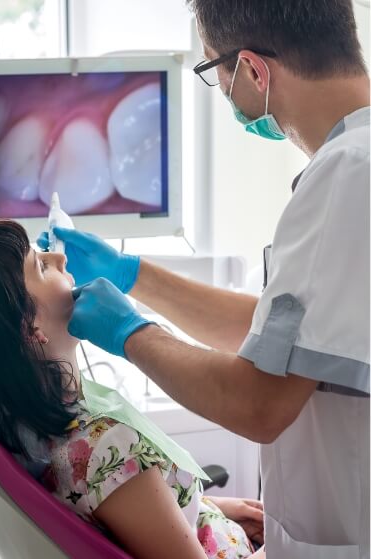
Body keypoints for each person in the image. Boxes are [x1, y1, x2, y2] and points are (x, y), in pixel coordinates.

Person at [37, 1, 370, 557]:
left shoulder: (348, 175)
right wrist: (133, 275)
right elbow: (285, 340)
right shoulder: (353, 165)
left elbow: (260, 404)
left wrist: (131, 333)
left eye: (212, 70)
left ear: (253, 71)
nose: (221, 92)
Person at [0, 220, 265, 559]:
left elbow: (129, 516)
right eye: (40, 265)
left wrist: (206, 509)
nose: (59, 256)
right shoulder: (104, 447)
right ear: (29, 326)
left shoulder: (43, 439)